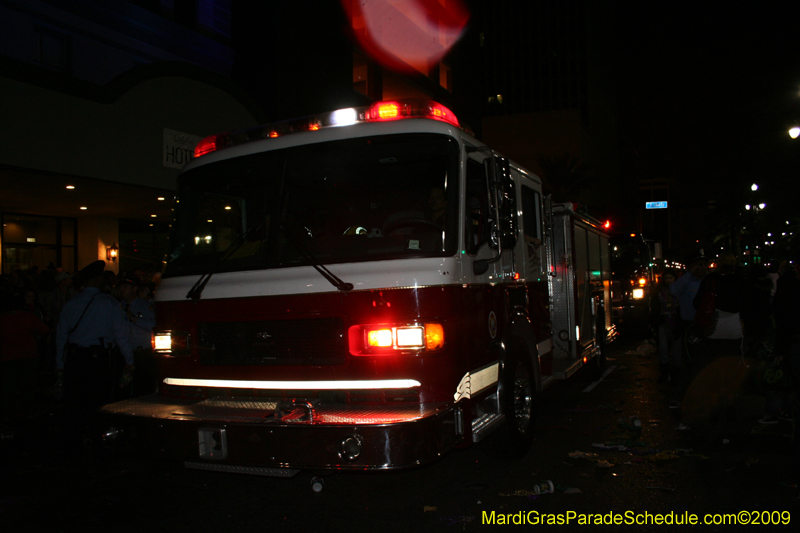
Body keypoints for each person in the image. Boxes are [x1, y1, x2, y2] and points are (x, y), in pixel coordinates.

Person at [56, 260, 134, 458]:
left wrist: (60, 365)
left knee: (75, 404)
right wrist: (129, 361)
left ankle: (74, 447)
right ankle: (99, 445)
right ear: (98, 280)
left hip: (75, 359)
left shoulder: (71, 303)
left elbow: (61, 338)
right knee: (99, 403)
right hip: (98, 360)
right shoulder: (109, 303)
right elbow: (121, 336)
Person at [0, 291, 49, 424]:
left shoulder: (3, 318)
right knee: (28, 385)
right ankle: (28, 411)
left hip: (7, 357)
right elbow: (44, 330)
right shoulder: (28, 317)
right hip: (27, 355)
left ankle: (8, 413)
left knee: (8, 387)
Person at [117, 276, 156, 397]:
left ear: (134, 289)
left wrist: (133, 318)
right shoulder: (118, 306)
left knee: (144, 388)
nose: (122, 290)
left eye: (125, 287)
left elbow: (153, 325)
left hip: (142, 353)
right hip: (124, 353)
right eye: (121, 287)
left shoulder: (145, 305)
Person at [651, 268, 681, 383]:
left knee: (676, 349)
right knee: (663, 348)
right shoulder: (659, 292)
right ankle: (664, 372)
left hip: (676, 322)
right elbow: (654, 307)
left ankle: (675, 374)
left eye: (670, 278)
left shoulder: (680, 291)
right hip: (663, 322)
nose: (668, 280)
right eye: (666, 278)